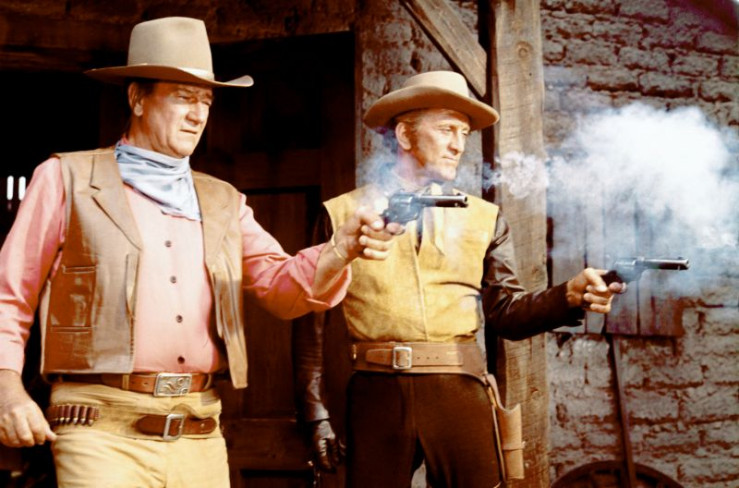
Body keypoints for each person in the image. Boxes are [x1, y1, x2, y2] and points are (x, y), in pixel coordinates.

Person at [0, 16, 401, 488]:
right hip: (99, 427)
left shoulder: (223, 200)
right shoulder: (65, 178)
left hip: (199, 429)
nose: (198, 114)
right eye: (183, 97)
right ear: (137, 99)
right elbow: (9, 295)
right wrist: (7, 388)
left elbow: (281, 288)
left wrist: (340, 250)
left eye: (206, 101)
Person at [292, 70, 625, 487]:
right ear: (405, 135)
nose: (458, 145)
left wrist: (568, 297)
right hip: (376, 395)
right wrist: (315, 414)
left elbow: (506, 314)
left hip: (460, 391)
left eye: (464, 133)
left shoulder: (485, 218)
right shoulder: (341, 214)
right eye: (447, 129)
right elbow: (309, 321)